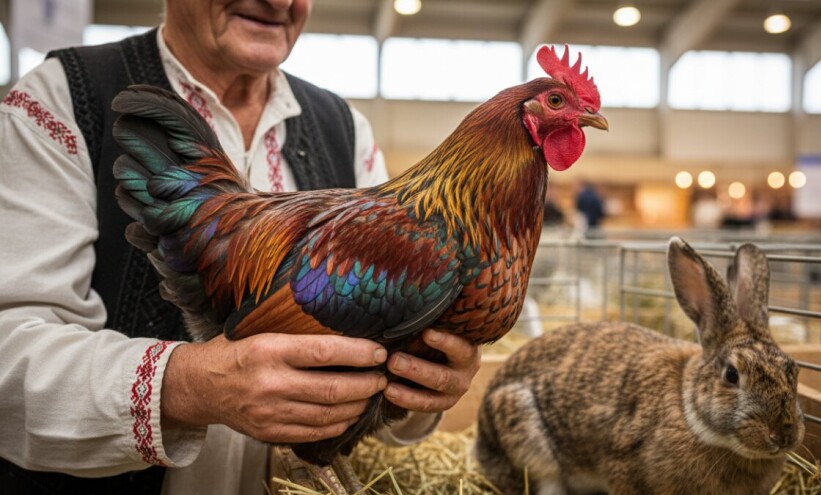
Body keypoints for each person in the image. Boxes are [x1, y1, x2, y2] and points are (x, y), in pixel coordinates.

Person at [0, 1, 481, 494]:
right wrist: (188, 387)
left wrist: (422, 378)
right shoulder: (62, 97)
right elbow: (9, 356)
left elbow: (385, 372)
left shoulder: (345, 128)